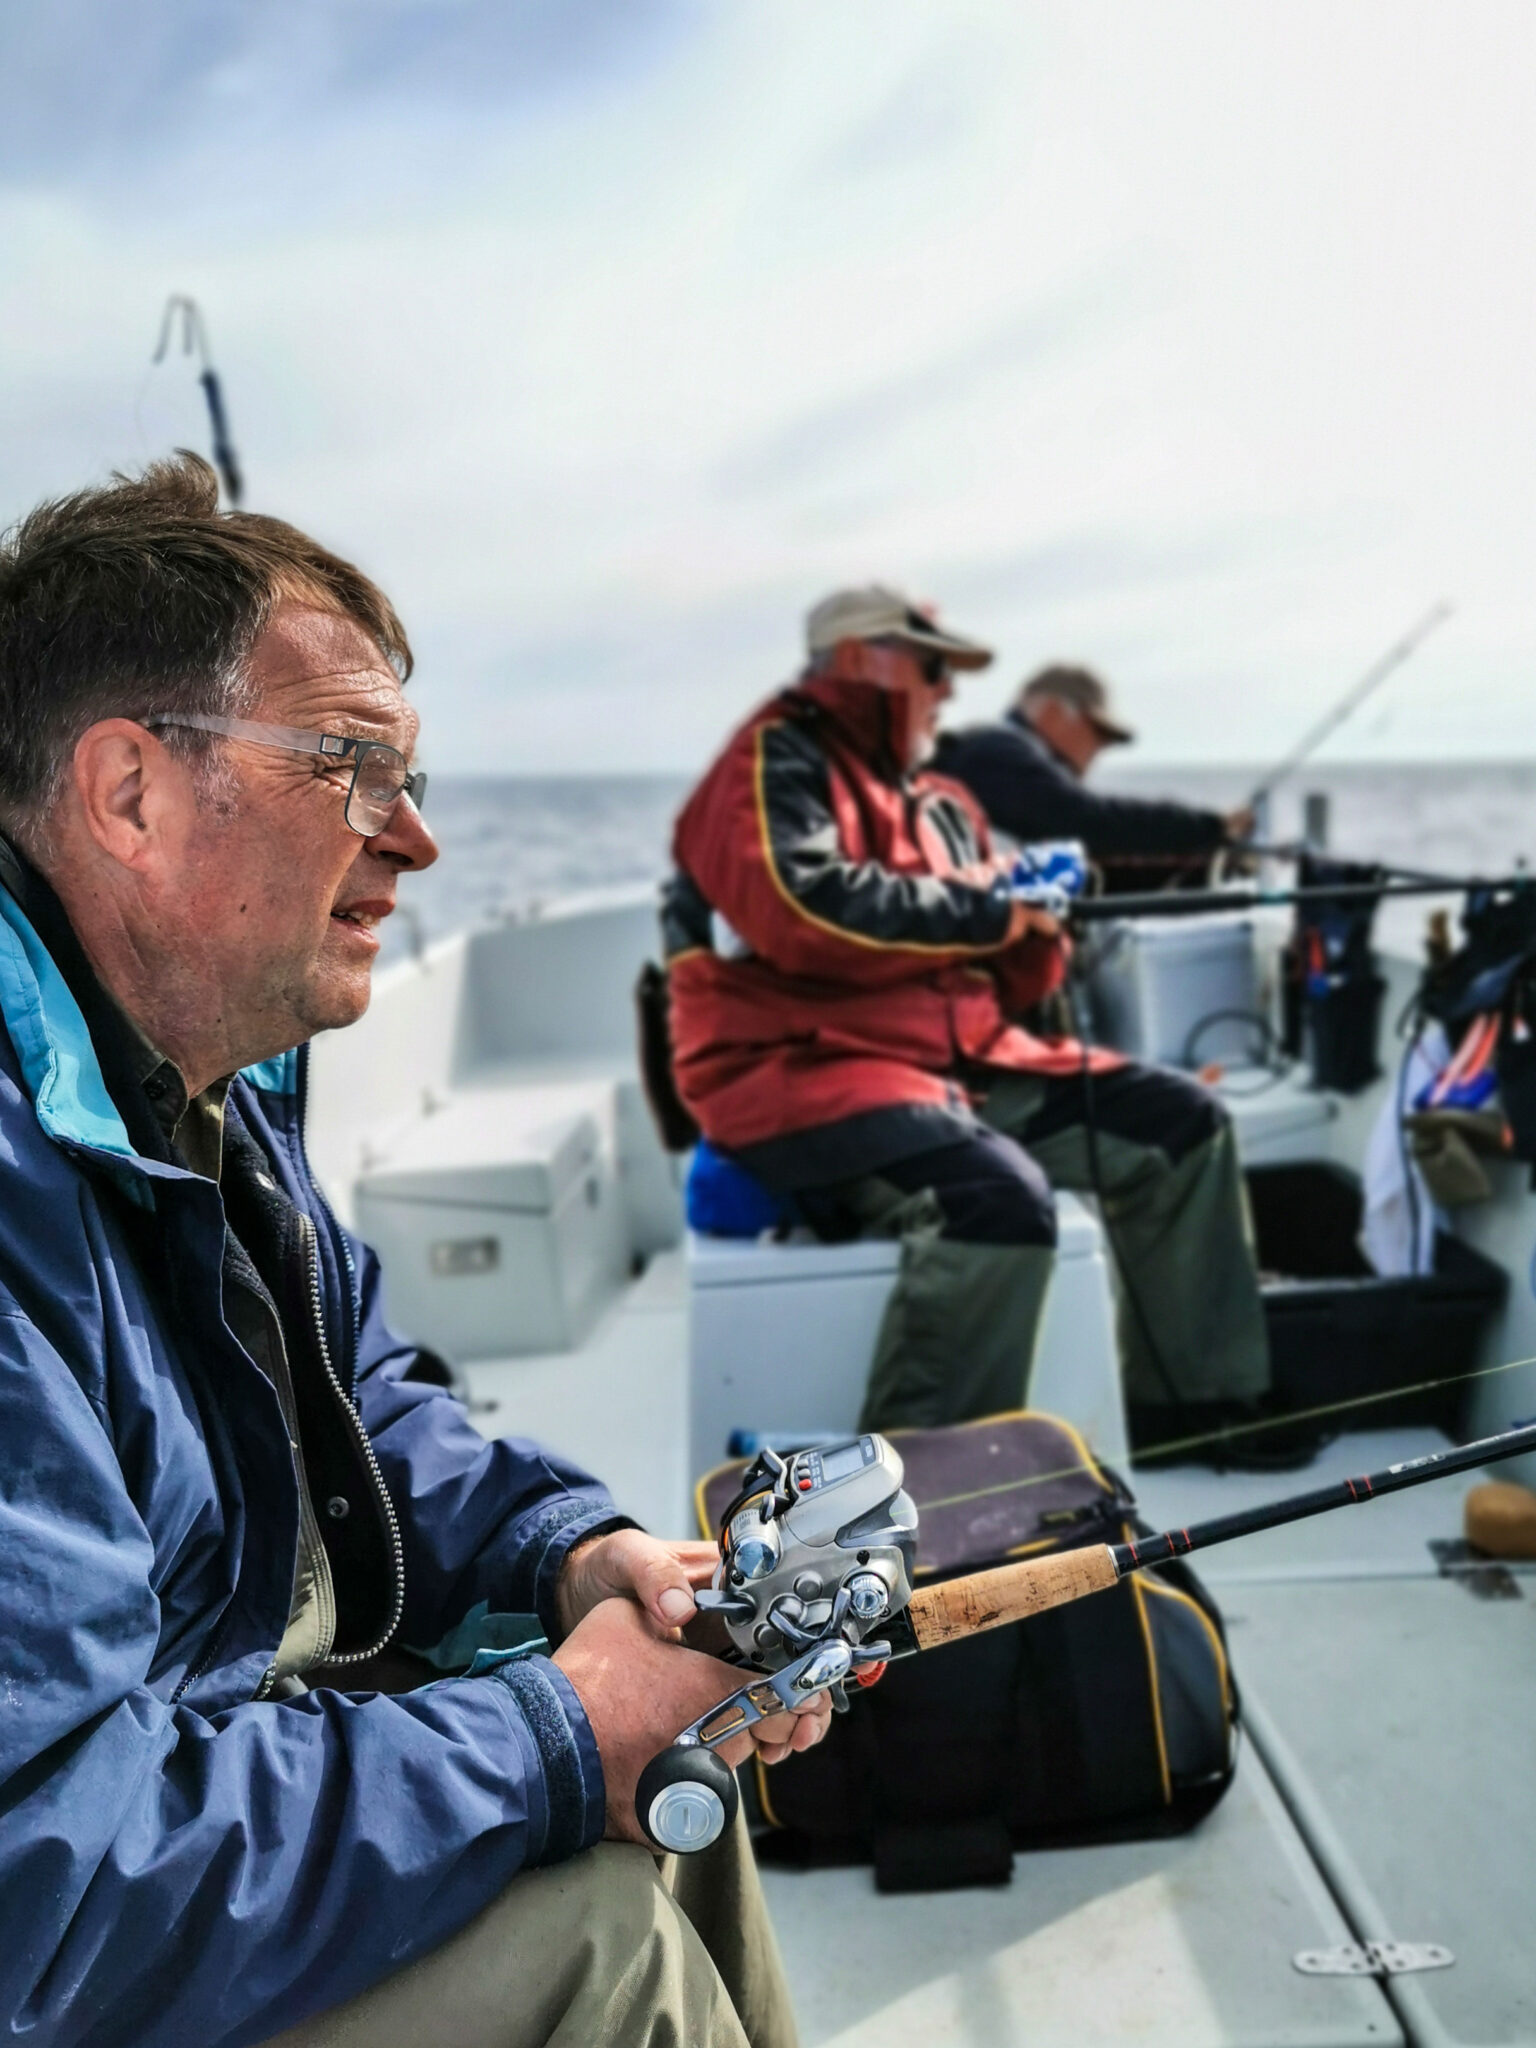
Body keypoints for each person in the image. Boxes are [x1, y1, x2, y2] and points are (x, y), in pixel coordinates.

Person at [0, 457, 827, 2048]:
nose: (419, 844)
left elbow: (358, 1407)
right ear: (130, 797)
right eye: (352, 769)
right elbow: (56, 1875)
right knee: (596, 1938)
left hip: (178, 1788)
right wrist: (558, 1729)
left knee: (676, 1784)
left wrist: (578, 1560)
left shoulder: (196, 1080)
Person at [662, 586, 1275, 1446]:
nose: (949, 690)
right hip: (801, 1072)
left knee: (1184, 1126)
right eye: (932, 666)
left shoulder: (939, 797)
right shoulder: (774, 760)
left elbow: (1005, 976)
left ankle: (1197, 1413)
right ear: (855, 660)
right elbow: (803, 908)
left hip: (964, 1064)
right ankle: (917, 1509)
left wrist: (1035, 927)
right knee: (994, 1202)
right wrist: (991, 909)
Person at [936, 663, 1254, 862]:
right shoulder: (998, 751)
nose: (1100, 748)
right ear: (1053, 712)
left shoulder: (990, 753)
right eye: (1098, 732)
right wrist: (1210, 826)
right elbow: (1087, 821)